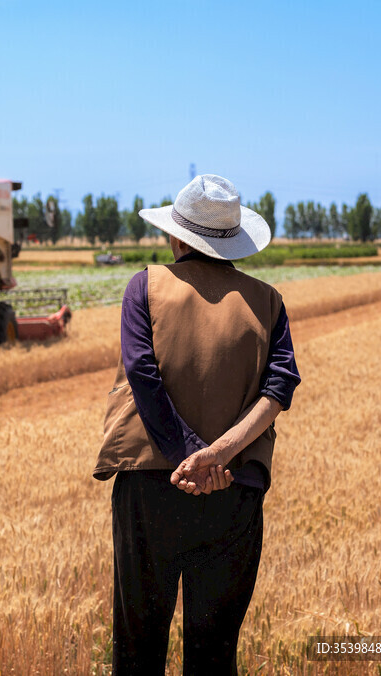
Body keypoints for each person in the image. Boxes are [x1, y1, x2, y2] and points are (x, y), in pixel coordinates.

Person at [93, 174, 300, 675]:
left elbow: (143, 375)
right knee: (213, 652)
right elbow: (280, 389)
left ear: (177, 237)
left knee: (138, 648)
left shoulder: (145, 285)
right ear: (234, 241)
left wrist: (189, 454)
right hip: (234, 491)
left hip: (151, 486)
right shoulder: (268, 301)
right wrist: (219, 455)